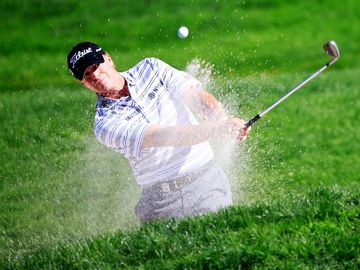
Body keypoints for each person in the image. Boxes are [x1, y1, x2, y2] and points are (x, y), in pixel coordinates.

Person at [67, 41, 250, 224]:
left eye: (96, 67)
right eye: (87, 75)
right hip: (161, 202)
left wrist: (221, 120)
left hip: (206, 181)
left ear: (108, 59)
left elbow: (193, 96)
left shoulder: (150, 68)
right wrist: (217, 129)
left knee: (218, 239)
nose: (95, 76)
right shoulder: (105, 123)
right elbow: (162, 136)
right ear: (83, 83)